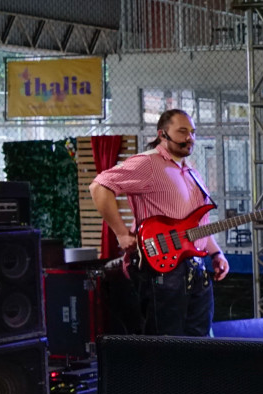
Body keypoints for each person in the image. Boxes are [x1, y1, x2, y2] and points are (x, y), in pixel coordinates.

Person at [90, 108, 229, 336]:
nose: (190, 138)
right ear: (162, 134)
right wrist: (121, 233)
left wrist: (216, 253)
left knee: (200, 342)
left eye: (193, 132)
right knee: (166, 342)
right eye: (182, 131)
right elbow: (99, 186)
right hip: (162, 268)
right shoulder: (148, 163)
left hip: (197, 269)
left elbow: (198, 225)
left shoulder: (192, 171)